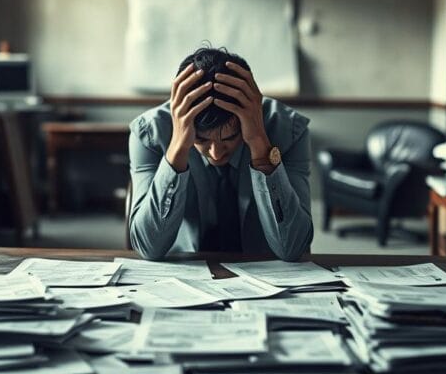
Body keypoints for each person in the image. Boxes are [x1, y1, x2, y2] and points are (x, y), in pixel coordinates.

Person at [127, 47, 313, 261]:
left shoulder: (290, 131)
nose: (215, 154)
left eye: (229, 138)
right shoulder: (149, 134)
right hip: (185, 273)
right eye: (202, 140)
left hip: (266, 271)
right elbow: (148, 248)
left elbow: (293, 248)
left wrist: (260, 144)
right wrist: (177, 148)